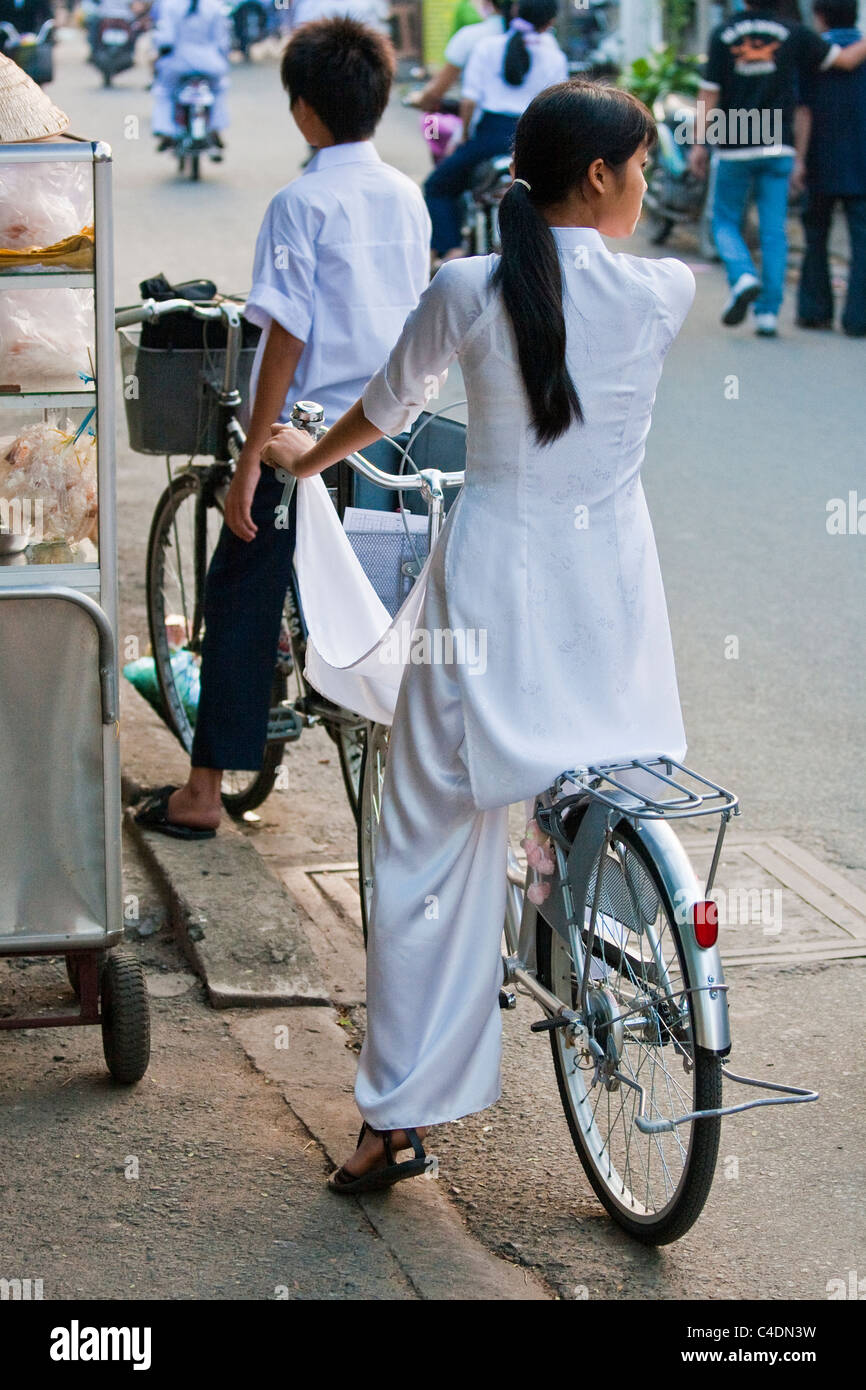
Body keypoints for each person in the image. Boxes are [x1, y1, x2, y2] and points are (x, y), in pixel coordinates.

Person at [260, 80, 697, 1191]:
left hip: (487, 603)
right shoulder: (662, 289)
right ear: (596, 177)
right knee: (583, 784)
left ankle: (397, 1117)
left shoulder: (467, 287)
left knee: (424, 848)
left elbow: (387, 408)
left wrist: (299, 458)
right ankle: (582, 914)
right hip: (609, 603)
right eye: (638, 166)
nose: (646, 186)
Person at [134, 18, 430, 839]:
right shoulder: (406, 196)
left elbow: (285, 336)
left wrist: (249, 461)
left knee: (239, 593)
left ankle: (201, 795)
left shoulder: (301, 202)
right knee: (384, 603)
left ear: (304, 111)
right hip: (391, 433)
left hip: (307, 434)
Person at [690, 0, 866, 336]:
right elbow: (845, 60)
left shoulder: (722, 34)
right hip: (778, 145)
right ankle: (768, 313)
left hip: (734, 145)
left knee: (724, 222)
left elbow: (709, 95)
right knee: (774, 232)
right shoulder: (795, 33)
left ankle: (742, 274)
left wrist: (699, 143)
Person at [424, 0, 567, 262]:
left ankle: (451, 249)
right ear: (550, 23)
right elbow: (556, 107)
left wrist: (465, 136)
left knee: (437, 186)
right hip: (531, 141)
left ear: (514, 11)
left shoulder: (486, 47)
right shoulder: (555, 56)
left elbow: (468, 102)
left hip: (489, 137)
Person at [796, 0, 866, 335]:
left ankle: (814, 310)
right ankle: (859, 318)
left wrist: (800, 158)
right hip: (863, 162)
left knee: (816, 236)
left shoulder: (814, 55)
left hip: (820, 161)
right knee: (863, 242)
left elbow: (804, 110)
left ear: (820, 16)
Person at [151, 0, 231, 151]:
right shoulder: (216, 5)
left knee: (164, 92)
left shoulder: (170, 5)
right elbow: (223, 41)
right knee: (219, 90)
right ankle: (215, 128)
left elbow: (166, 39)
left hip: (179, 62)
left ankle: (166, 130)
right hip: (210, 63)